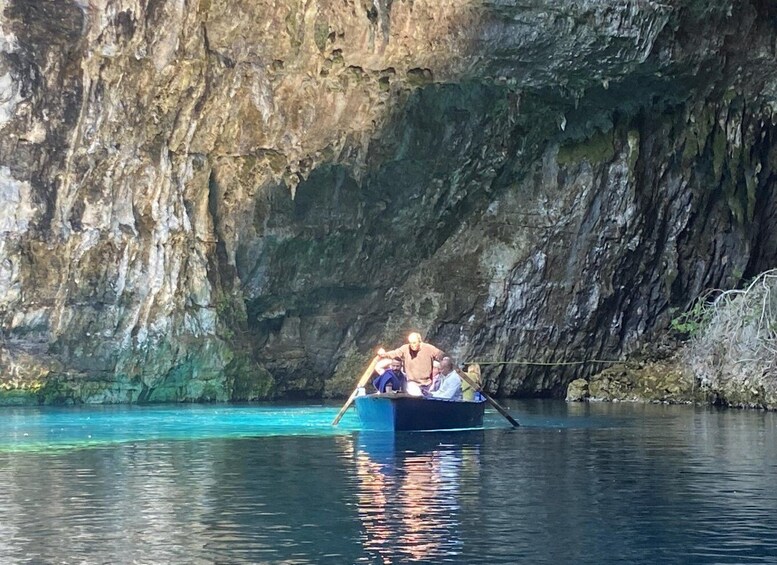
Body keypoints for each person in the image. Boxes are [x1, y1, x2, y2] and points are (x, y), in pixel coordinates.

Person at [377, 332, 444, 393]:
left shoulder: (429, 348)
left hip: (426, 383)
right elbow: (395, 353)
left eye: (414, 342)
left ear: (419, 341)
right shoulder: (405, 348)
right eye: (410, 343)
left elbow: (442, 355)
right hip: (411, 383)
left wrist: (443, 367)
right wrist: (384, 354)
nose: (412, 345)